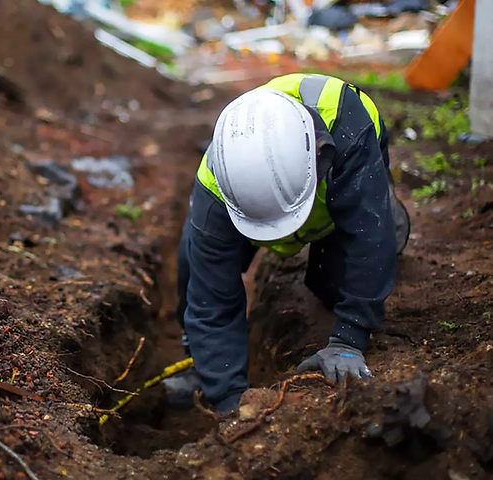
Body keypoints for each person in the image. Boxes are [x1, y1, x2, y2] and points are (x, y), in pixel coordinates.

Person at [162, 73, 410, 414]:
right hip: (251, 200)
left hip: (342, 181)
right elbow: (211, 302)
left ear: (320, 158)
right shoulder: (218, 183)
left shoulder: (349, 126)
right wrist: (230, 403)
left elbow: (369, 238)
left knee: (352, 266)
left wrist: (348, 340)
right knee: (194, 268)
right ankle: (199, 361)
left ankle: (387, 209)